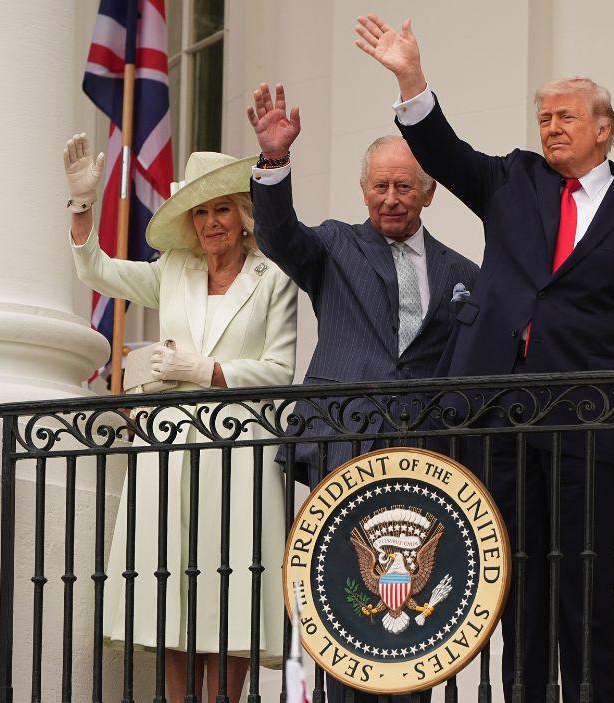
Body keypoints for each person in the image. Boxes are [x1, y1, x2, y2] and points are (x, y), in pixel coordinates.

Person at [354, 16, 614, 703]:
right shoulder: (513, 178)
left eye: (565, 116)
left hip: (587, 423)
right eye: (543, 117)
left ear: (603, 128)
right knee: (515, 585)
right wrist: (410, 79)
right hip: (499, 416)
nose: (551, 127)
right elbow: (443, 153)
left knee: (586, 588)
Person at [244, 82, 479, 703]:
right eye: (380, 186)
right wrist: (272, 163)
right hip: (341, 447)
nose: (391, 198)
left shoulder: (462, 272)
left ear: (428, 193)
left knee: (418, 619)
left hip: (423, 459)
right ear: (363, 189)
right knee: (342, 609)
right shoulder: (333, 245)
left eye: (404, 186)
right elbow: (277, 237)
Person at [62, 134, 299, 702]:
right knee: (168, 580)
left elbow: (280, 370)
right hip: (168, 446)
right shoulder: (174, 272)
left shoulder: (274, 277)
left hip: (242, 451)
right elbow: (98, 271)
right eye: (200, 212)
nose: (211, 222)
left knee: (234, 580)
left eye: (221, 209)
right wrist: (81, 208)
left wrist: (207, 370)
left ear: (243, 215)